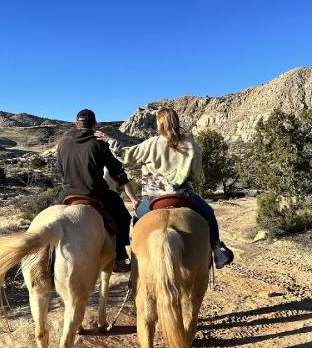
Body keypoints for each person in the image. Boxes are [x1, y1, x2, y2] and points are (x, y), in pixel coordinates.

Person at [96, 107, 233, 268]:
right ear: (176, 122)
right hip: (183, 195)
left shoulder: (150, 144)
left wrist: (109, 140)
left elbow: (126, 156)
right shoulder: (190, 144)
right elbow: (196, 175)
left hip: (153, 199)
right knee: (209, 214)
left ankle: (136, 261)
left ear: (159, 125)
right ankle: (218, 255)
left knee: (137, 221)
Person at [56, 109, 137, 272]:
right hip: (96, 193)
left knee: (52, 218)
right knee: (122, 216)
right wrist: (133, 198)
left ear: (76, 125)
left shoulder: (63, 142)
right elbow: (117, 173)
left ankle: (48, 258)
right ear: (94, 125)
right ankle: (120, 257)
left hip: (68, 193)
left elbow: (60, 172)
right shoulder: (99, 142)